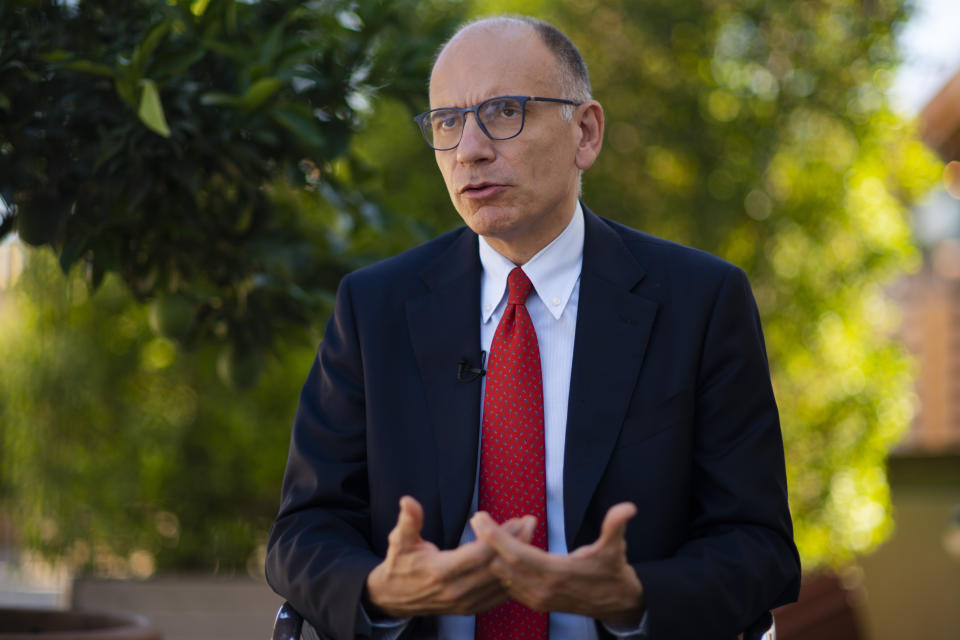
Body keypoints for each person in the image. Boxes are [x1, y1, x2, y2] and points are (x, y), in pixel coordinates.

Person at [266, 15, 800, 640]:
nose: (470, 149)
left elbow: (758, 547)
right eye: (447, 122)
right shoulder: (374, 307)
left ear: (586, 133)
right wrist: (380, 591)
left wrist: (636, 596)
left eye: (505, 111)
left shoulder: (700, 302)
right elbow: (303, 532)